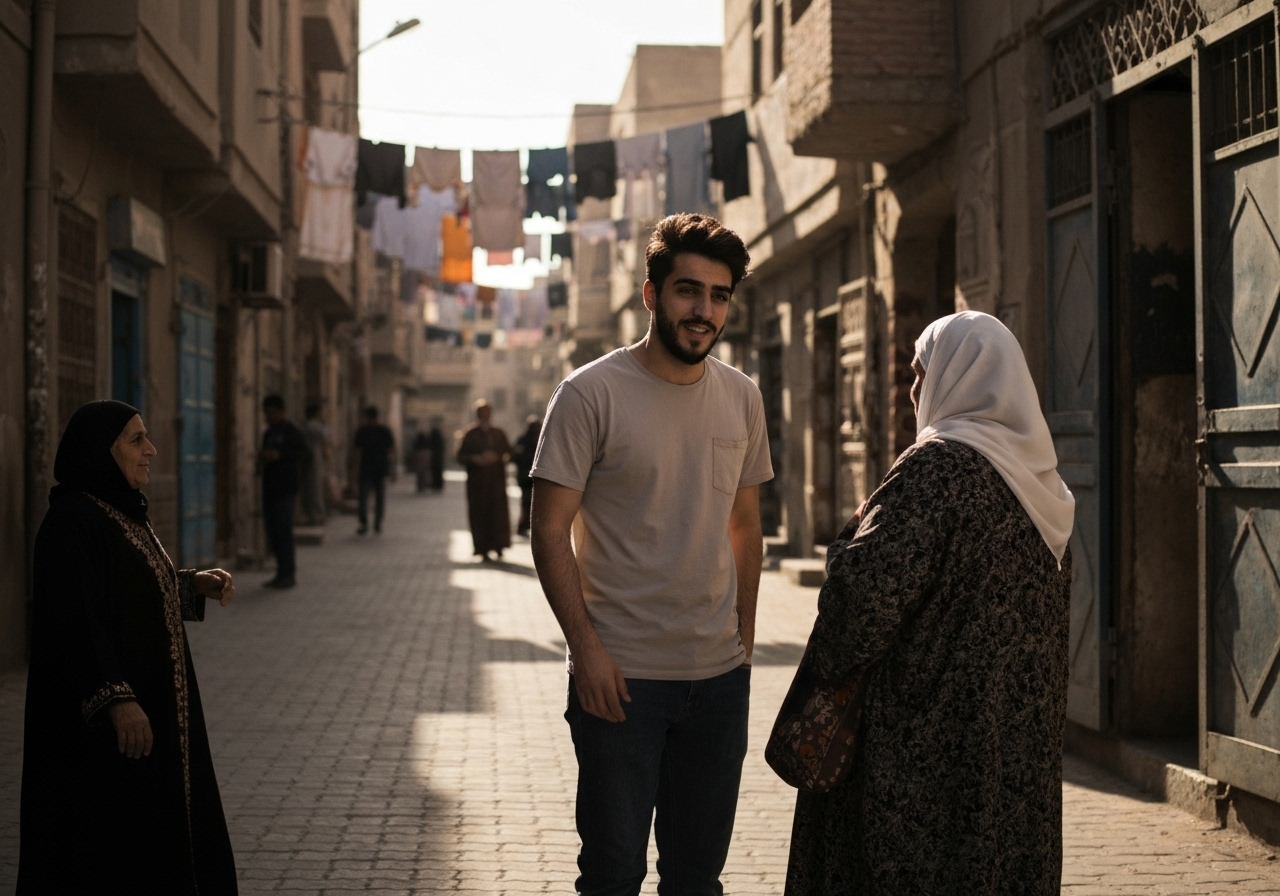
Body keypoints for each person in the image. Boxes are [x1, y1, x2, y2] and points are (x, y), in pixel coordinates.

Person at [783, 311, 1076, 895]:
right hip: (1010, 764)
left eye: (922, 372)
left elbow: (857, 612)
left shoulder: (934, 469)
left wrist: (843, 549)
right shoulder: (1048, 492)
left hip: (917, 768)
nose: (914, 389)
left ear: (957, 377)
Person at [530, 213, 772, 894]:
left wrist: (745, 634)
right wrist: (588, 651)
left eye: (720, 295)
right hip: (621, 683)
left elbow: (745, 523)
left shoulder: (743, 397)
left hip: (718, 682)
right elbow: (547, 530)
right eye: (688, 291)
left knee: (697, 879)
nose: (704, 311)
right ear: (651, 294)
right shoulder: (588, 395)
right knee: (613, 875)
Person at [18, 400, 239, 894]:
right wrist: (116, 698)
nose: (151, 451)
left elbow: (124, 592)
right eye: (136, 440)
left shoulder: (119, 510)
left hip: (149, 712)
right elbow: (73, 620)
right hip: (100, 732)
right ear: (102, 450)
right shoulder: (71, 523)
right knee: (104, 848)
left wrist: (188, 584)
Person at [260, 394, 308, 588]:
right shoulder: (269, 433)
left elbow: (302, 455)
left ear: (280, 412)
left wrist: (280, 456)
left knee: (283, 530)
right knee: (273, 531)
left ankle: (288, 573)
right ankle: (280, 572)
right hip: (270, 487)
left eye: (271, 412)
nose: (268, 416)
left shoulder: (291, 431)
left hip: (285, 488)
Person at [457, 399, 512, 560]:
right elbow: (461, 456)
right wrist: (475, 459)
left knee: (497, 514)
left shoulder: (498, 433)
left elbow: (508, 452)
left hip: (496, 481)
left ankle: (499, 544)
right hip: (477, 483)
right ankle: (482, 547)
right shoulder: (471, 434)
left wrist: (496, 457)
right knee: (479, 514)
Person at [353, 405, 396, 534]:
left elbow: (391, 451)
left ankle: (377, 523)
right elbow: (357, 452)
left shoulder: (383, 431)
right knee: (363, 498)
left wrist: (392, 469)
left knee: (379, 498)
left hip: (379, 469)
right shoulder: (363, 431)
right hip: (367, 469)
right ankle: (364, 523)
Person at [299, 401, 334, 525]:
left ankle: (310, 514)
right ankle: (316, 515)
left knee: (308, 488)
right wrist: (325, 425)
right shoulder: (314, 425)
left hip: (306, 459)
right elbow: (327, 436)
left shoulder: (304, 425)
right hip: (314, 458)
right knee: (315, 488)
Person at [512, 415, 541, 537]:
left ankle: (531, 526)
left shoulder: (541, 439)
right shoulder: (523, 440)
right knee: (526, 502)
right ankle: (523, 525)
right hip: (525, 477)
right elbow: (515, 456)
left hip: (536, 477)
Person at [427, 420, 446, 492]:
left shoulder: (434, 437)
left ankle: (436, 485)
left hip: (435, 457)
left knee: (435, 471)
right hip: (438, 457)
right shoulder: (439, 438)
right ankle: (438, 485)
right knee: (437, 472)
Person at [412, 429, 432, 493]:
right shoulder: (426, 443)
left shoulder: (417, 444)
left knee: (419, 474)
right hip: (424, 458)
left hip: (419, 458)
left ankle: (420, 486)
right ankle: (423, 485)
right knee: (424, 473)